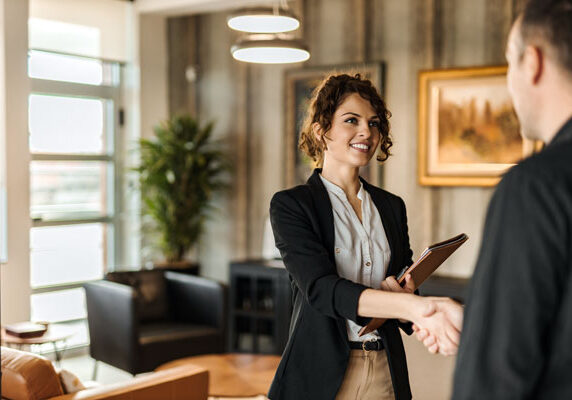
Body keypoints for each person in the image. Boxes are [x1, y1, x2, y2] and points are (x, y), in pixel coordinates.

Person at [268, 73, 463, 400]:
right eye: (351, 120)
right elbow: (321, 290)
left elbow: (403, 279)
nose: (366, 132)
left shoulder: (391, 206)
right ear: (321, 130)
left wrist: (416, 309)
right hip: (319, 375)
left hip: (385, 367)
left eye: (374, 123)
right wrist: (412, 307)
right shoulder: (292, 205)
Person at [442, 0, 572, 398]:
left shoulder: (535, 186)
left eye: (508, 64)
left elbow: (494, 377)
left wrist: (488, 327)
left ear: (532, 62)